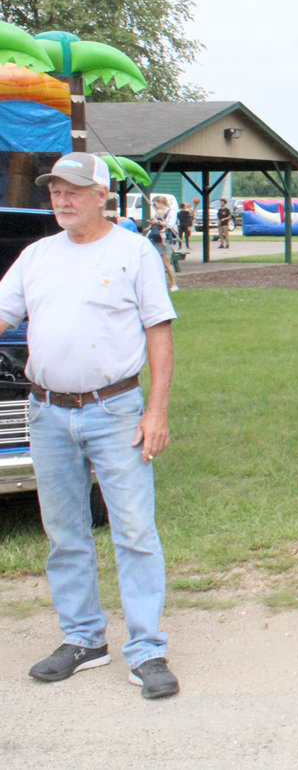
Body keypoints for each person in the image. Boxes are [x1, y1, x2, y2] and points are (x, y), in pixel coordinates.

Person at [0, 152, 179, 699]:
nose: (61, 198)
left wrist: (157, 410)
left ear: (101, 195)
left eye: (74, 190)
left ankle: (147, 650)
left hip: (115, 411)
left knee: (133, 531)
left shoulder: (133, 252)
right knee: (64, 532)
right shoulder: (35, 256)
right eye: (55, 189)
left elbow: (160, 332)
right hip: (47, 411)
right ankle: (83, 640)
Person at [147, 195, 178, 292]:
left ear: (160, 203)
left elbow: (170, 225)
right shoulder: (156, 213)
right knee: (157, 262)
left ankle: (173, 284)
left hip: (166, 238)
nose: (154, 206)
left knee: (167, 263)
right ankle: (160, 284)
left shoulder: (171, 212)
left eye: (155, 204)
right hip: (156, 239)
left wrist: (159, 222)